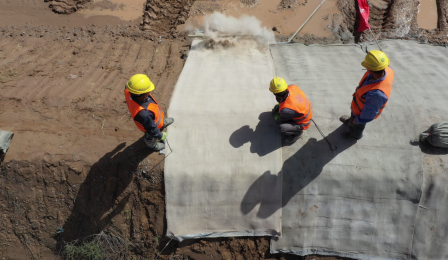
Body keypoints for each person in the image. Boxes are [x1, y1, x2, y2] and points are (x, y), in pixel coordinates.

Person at [340, 50, 394, 140]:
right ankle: (350, 121)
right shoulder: (388, 69)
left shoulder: (376, 94)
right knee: (352, 119)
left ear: (370, 70)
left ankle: (354, 135)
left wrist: (358, 121)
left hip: (360, 114)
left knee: (357, 127)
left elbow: (369, 113)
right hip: (356, 107)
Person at [124, 74, 174, 151]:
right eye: (148, 91)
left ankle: (162, 123)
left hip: (154, 118)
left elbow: (128, 85)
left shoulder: (129, 90)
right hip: (149, 126)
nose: (150, 91)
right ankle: (153, 146)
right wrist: (160, 135)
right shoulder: (144, 114)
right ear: (142, 95)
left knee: (156, 123)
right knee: (150, 136)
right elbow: (151, 128)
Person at [269, 77, 313, 145]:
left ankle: (298, 133)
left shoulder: (286, 110)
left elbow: (281, 120)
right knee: (280, 108)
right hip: (306, 110)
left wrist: (276, 116)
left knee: (282, 127)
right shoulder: (293, 86)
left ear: (275, 93)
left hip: (304, 122)